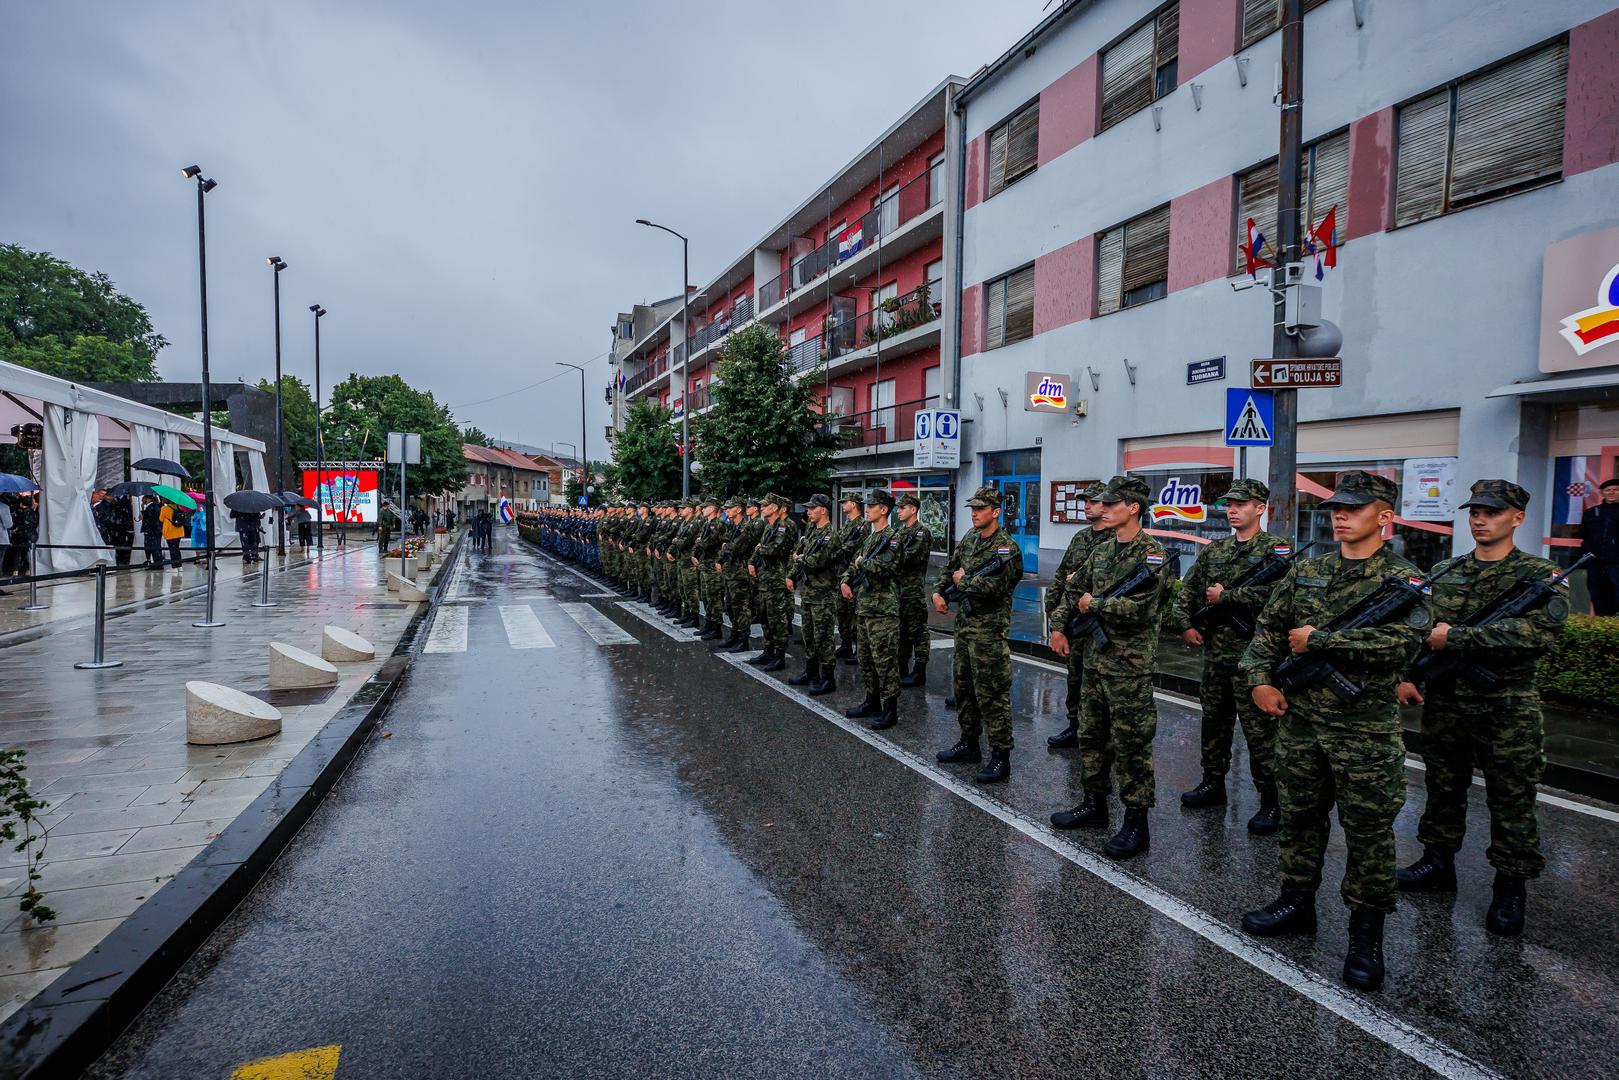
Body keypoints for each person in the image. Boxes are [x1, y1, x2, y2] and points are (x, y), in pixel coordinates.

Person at [1238, 470, 1430, 993]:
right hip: (1300, 726)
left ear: (1384, 517)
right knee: (1300, 818)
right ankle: (1297, 902)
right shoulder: (1310, 571)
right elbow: (1269, 632)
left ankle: (1365, 937)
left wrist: (1322, 640)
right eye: (1335, 508)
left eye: (1354, 508)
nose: (1339, 515)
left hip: (1364, 734)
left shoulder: (1405, 579)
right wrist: (1257, 679)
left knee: (1368, 835)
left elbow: (1402, 645)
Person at [1396, 480, 1569, 937]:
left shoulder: (1540, 575)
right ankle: (1437, 863)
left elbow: (1536, 635)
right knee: (1442, 787)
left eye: (1491, 512)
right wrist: (1409, 674)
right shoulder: (1447, 570)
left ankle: (1510, 887)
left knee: (1511, 797)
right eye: (1474, 511)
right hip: (1447, 704)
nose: (1479, 519)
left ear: (1517, 518)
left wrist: (1458, 638)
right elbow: (1419, 629)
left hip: (1507, 708)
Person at [1049, 476, 1169, 857]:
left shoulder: (1152, 554)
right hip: (1096, 663)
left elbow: (1144, 609)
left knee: (1132, 745)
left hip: (1129, 668)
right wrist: (1057, 626)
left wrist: (1096, 606)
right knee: (1091, 736)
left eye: (1111, 504)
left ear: (1132, 507)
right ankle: (1094, 804)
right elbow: (1073, 590)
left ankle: (1136, 824)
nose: (1102, 508)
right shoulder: (1100, 551)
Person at [1167, 478, 1293, 833]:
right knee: (1214, 723)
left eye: (1241, 504)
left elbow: (1281, 595)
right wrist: (1184, 624)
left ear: (1260, 508)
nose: (1233, 510)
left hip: (1257, 661)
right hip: (1218, 657)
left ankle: (1271, 800)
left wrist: (1230, 598)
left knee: (1260, 732)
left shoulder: (1277, 550)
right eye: (1229, 504)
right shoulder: (1215, 550)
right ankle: (1212, 782)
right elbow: (1189, 589)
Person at [935, 486, 1025, 783]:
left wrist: (964, 582)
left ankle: (1001, 757)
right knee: (964, 688)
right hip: (964, 628)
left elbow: (996, 588)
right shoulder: (971, 539)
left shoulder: (1007, 549)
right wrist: (939, 590)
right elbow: (950, 568)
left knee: (992, 694)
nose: (974, 513)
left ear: (996, 512)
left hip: (988, 632)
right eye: (972, 508)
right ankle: (969, 743)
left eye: (980, 508)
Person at [1043, 482, 1111, 748]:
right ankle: (1075, 725)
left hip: (1101, 625)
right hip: (1075, 621)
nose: (1086, 506)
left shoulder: (1114, 539)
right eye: (1085, 501)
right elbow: (1062, 574)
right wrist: (1052, 609)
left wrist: (1081, 581)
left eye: (1092, 501)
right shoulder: (1081, 537)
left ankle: (1101, 734)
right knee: (1075, 677)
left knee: (1100, 684)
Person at [841, 489, 903, 728]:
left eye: (872, 506)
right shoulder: (869, 538)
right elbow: (854, 562)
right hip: (865, 608)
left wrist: (861, 563)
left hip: (884, 610)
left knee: (885, 661)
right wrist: (846, 580)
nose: (867, 509)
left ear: (884, 510)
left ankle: (890, 709)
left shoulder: (893, 538)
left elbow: (884, 567)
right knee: (866, 658)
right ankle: (871, 700)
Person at [787, 493, 841, 694]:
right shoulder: (811, 532)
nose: (808, 512)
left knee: (823, 637)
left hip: (823, 596)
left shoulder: (830, 536)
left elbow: (816, 561)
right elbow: (800, 554)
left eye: (812, 508)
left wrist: (799, 558)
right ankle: (811, 672)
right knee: (808, 634)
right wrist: (792, 574)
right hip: (809, 592)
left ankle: (828, 679)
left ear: (823, 510)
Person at [748, 493, 799, 672]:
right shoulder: (770, 527)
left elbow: (774, 549)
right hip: (765, 578)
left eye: (766, 505)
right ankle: (768, 650)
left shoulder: (785, 526)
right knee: (765, 617)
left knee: (777, 618)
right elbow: (761, 548)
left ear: (776, 507)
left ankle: (779, 655)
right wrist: (752, 561)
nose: (763, 508)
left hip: (777, 579)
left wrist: (761, 549)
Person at [894, 493, 934, 688]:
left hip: (913, 591)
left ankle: (919, 671)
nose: (899, 511)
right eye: (898, 508)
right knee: (902, 632)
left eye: (902, 508)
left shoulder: (921, 532)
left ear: (913, 509)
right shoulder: (900, 532)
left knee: (918, 632)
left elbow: (907, 557)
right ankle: (902, 668)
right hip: (899, 591)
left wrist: (889, 557)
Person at [1578, 478, 1619, 615]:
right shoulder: (1591, 513)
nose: (1611, 492)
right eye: (1608, 490)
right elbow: (1584, 536)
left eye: (1615, 490)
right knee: (1597, 594)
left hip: (1616, 563)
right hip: (1595, 563)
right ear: (1602, 493)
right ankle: (1602, 625)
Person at [834, 494, 866, 663]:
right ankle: (846, 644)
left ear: (853, 504)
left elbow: (848, 549)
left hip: (852, 577)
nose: (842, 505)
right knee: (842, 613)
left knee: (854, 615)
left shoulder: (862, 526)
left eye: (845, 502)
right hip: (841, 574)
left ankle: (858, 649)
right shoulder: (846, 524)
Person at [160, 499, 186, 568]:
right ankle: (179, 565)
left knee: (172, 549)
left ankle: (174, 566)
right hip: (179, 530)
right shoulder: (179, 507)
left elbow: (161, 519)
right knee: (177, 548)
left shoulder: (164, 508)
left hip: (170, 531)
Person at [140, 495, 163, 567]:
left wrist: (144, 518)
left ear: (148, 499)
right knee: (155, 547)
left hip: (153, 531)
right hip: (155, 530)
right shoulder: (154, 507)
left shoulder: (152, 507)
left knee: (155, 547)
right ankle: (158, 563)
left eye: (143, 499)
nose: (142, 501)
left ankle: (157, 564)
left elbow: (150, 520)